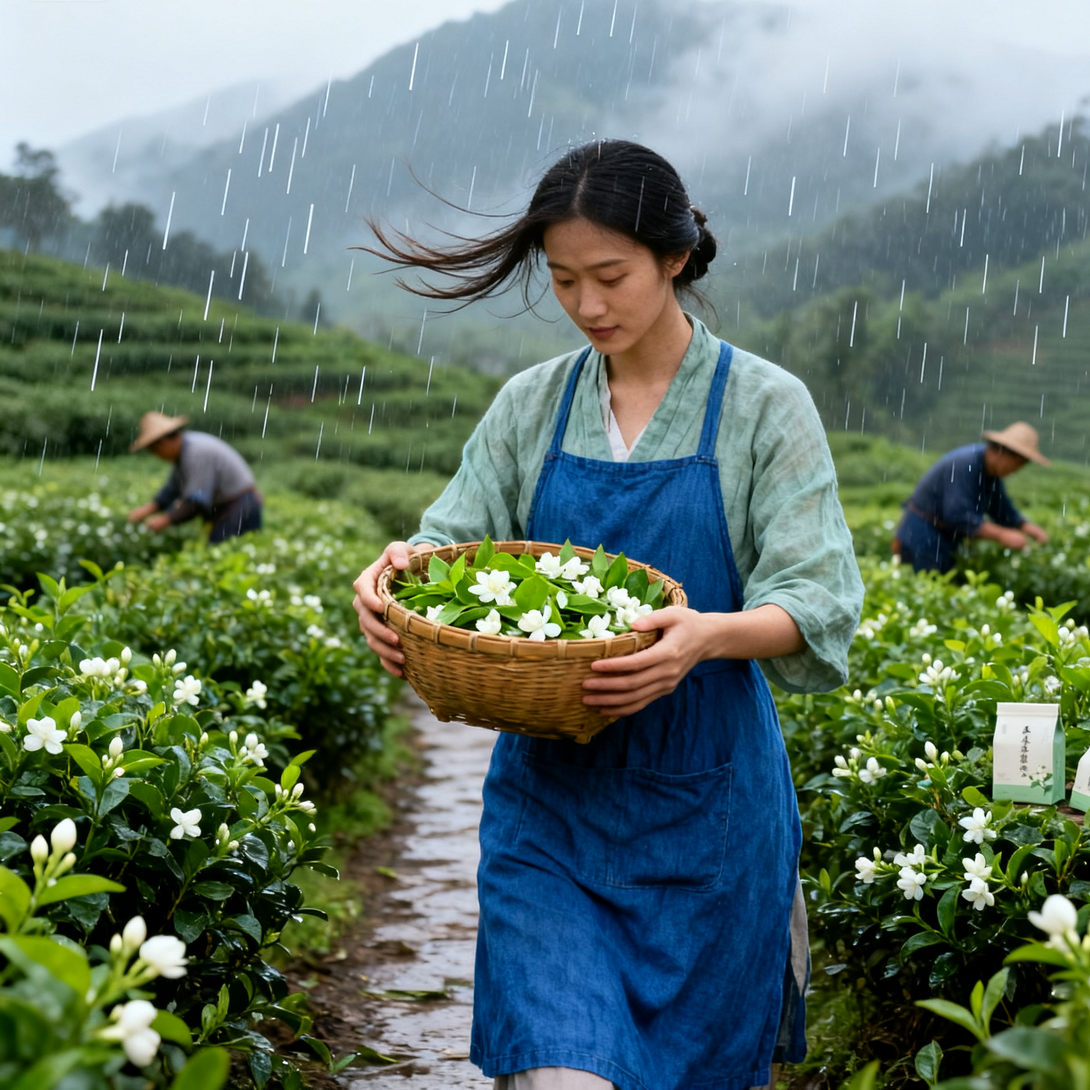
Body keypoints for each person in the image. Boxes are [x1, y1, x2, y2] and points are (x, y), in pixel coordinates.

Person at [352, 140, 864, 1090]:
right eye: (564, 281)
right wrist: (394, 582)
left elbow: (818, 602)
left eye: (611, 275)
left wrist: (706, 636)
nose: (588, 305)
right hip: (554, 813)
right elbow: (446, 543)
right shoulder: (532, 406)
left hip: (708, 811)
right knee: (561, 1072)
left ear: (674, 258)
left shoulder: (763, 407)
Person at [894, 421, 1050, 574]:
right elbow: (958, 515)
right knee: (927, 585)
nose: (1016, 471)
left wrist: (1025, 527)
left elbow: (1001, 508)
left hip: (942, 538)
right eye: (1018, 464)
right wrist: (1002, 534)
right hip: (924, 536)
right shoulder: (967, 465)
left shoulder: (990, 473)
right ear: (1004, 453)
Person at [126, 412, 263, 543]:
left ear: (164, 442)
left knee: (227, 551)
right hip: (231, 505)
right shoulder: (184, 452)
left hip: (239, 505)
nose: (156, 455)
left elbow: (196, 502)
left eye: (155, 450)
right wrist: (143, 512)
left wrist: (165, 520)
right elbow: (171, 490)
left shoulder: (195, 453)